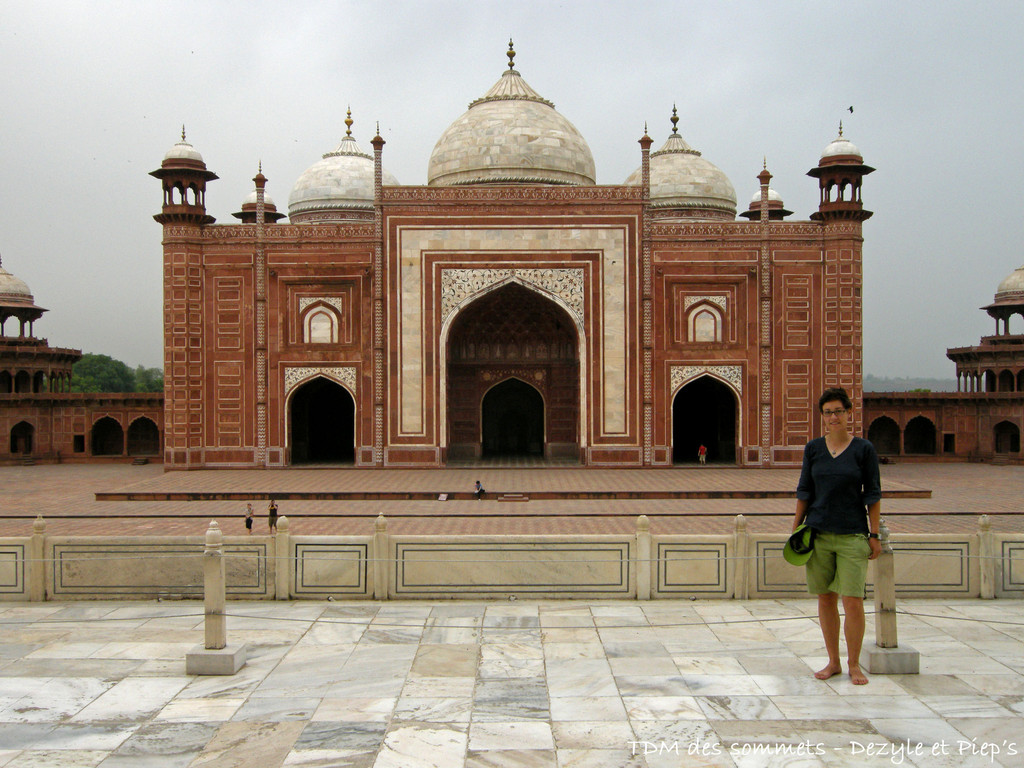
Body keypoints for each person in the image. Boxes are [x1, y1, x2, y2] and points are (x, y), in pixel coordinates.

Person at [793, 387, 882, 685]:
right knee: (825, 598)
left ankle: (853, 663)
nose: (833, 417)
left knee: (853, 600)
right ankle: (833, 662)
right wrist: (796, 529)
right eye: (828, 412)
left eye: (838, 411)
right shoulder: (814, 449)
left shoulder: (863, 450)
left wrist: (874, 534)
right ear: (822, 416)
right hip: (818, 532)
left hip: (852, 534)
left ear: (848, 413)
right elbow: (805, 490)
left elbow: (872, 494)